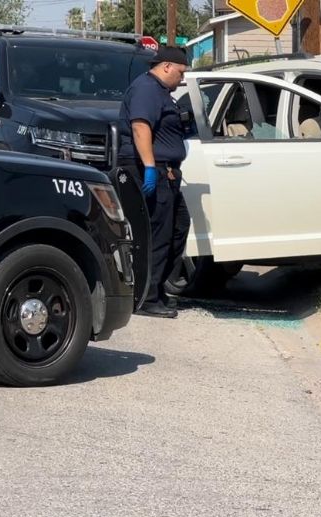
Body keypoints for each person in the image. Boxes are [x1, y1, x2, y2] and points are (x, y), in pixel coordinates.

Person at [117, 46, 191, 319]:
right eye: (181, 72)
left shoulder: (162, 93)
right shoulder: (147, 88)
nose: (182, 79)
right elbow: (140, 127)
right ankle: (147, 298)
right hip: (152, 171)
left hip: (167, 172)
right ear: (167, 66)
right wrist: (149, 166)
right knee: (157, 235)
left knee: (178, 226)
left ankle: (157, 289)